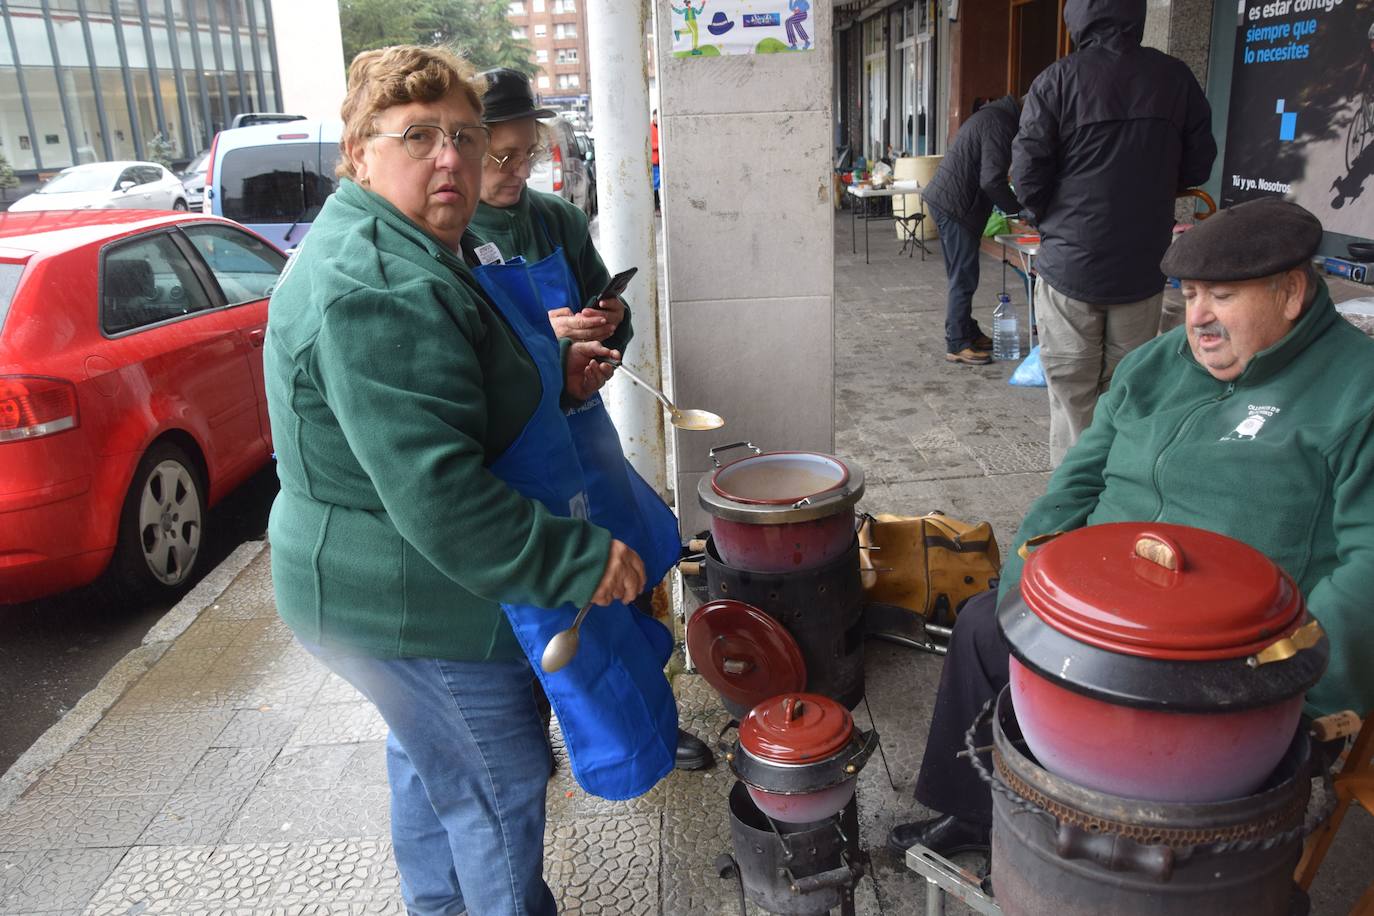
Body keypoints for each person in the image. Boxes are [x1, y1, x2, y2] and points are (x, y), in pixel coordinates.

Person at [264, 47, 679, 916]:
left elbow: (460, 388)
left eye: (463, 134)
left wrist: (556, 369)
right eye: (416, 136)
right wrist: (574, 560)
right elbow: (440, 495)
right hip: (403, 595)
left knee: (430, 763)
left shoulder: (413, 240)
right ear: (359, 151)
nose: (449, 156)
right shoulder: (374, 284)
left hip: (391, 579)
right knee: (499, 784)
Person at [888, 198, 1374, 859]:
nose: (1196, 318)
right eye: (1189, 292)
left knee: (1132, 742)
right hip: (1102, 610)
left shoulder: (1356, 392)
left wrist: (1304, 699)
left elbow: (1367, 565)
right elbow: (1078, 481)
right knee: (983, 625)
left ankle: (1107, 859)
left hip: (1223, 658)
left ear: (1290, 293)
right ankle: (974, 819)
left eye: (1222, 297)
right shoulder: (1161, 362)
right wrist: (1025, 585)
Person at [469, 67, 715, 772]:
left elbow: (615, 320)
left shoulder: (556, 219)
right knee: (544, 609)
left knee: (634, 571)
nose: (517, 171)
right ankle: (534, 738)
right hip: (516, 453)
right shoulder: (448, 238)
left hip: (585, 432)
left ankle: (650, 725)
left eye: (526, 153)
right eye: (501, 156)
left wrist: (609, 322)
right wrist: (542, 338)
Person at [1011, 0, 1216, 465]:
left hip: (1070, 270)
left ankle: (1070, 512)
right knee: (1126, 392)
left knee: (1071, 397)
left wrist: (1050, 221)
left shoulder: (1057, 80)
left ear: (1078, 17)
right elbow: (1199, 163)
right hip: (1141, 267)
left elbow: (1027, 171)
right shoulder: (1175, 78)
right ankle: (1117, 500)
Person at [920, 95, 1022, 366]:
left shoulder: (993, 117)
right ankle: (957, 344)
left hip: (948, 202)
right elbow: (992, 180)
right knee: (963, 276)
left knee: (960, 274)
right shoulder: (1000, 124)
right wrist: (1019, 211)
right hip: (956, 207)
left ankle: (967, 330)